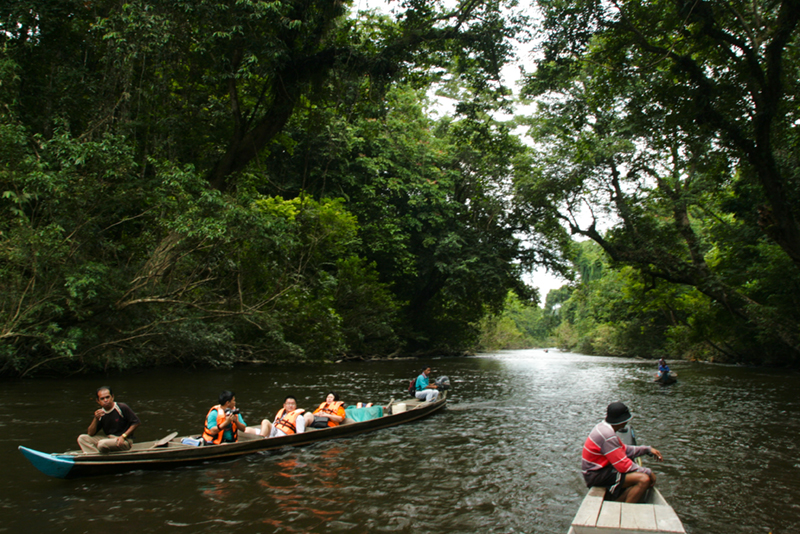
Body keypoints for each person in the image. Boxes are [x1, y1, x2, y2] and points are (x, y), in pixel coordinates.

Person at [581, 402, 664, 503]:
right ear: (621, 421)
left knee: (637, 476)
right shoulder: (607, 435)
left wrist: (646, 449)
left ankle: (618, 503)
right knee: (643, 479)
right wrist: (648, 472)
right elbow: (623, 466)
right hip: (596, 475)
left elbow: (624, 450)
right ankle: (624, 510)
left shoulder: (604, 427)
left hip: (600, 471)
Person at [77, 386, 141, 453]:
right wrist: (95, 419)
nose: (105, 400)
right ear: (98, 401)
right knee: (82, 438)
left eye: (107, 397)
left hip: (124, 440)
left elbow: (136, 422)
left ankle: (98, 457)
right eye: (102, 399)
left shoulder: (121, 407)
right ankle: (95, 457)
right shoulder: (101, 413)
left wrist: (123, 436)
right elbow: (90, 433)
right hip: (109, 439)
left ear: (112, 397)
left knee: (102, 444)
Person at [202, 390, 269, 445]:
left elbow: (243, 428)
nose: (235, 402)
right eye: (233, 400)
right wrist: (226, 423)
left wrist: (236, 421)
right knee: (224, 445)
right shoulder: (214, 413)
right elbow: (212, 431)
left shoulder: (234, 412)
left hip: (231, 442)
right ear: (228, 403)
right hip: (214, 442)